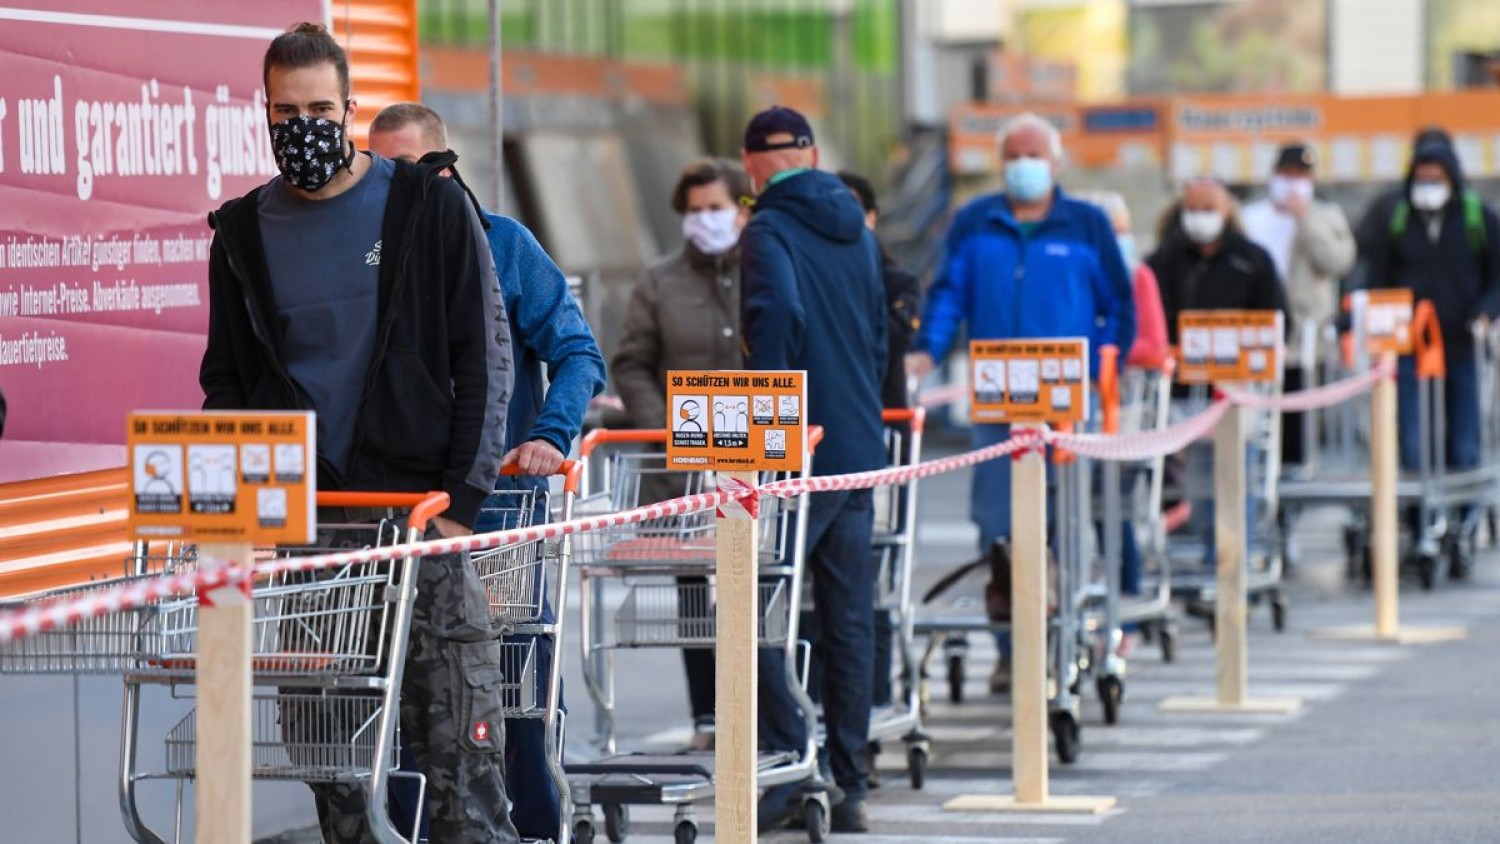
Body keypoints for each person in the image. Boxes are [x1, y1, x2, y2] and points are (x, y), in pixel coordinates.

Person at [198, 24, 519, 843]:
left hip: (422, 523)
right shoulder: (241, 234)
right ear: (264, 112)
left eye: (318, 108)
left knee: (461, 763)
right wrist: (245, 512)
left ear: (347, 109)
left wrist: (462, 502)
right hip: (313, 538)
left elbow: (481, 354)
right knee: (329, 768)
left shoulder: (426, 206)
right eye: (284, 111)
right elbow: (226, 383)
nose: (301, 125)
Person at [368, 102, 606, 842]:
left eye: (404, 170)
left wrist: (549, 434)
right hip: (400, 513)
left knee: (510, 682)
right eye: (377, 173)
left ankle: (533, 825)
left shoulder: (504, 246)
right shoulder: (365, 255)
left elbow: (577, 352)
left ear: (443, 167)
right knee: (403, 687)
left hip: (498, 507)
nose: (389, 189)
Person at [906, 113, 1136, 694]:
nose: (1024, 164)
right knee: (995, 522)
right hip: (996, 400)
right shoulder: (974, 222)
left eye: (1034, 153)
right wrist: (926, 351)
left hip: (1065, 401)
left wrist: (1100, 361)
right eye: (1014, 154)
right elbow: (948, 294)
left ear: (1056, 163)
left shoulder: (1085, 225)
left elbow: (1120, 307)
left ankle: (1059, 639)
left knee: (1062, 522)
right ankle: (1011, 644)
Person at [739, 106, 887, 834]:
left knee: (756, 607)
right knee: (847, 618)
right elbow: (878, 331)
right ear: (813, 154)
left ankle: (790, 766)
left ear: (749, 166)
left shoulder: (766, 230)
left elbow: (777, 320)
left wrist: (768, 433)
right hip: (857, 445)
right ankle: (851, 781)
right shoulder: (856, 226)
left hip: (799, 451)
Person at [611, 157, 753, 751]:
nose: (704, 221)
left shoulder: (769, 273)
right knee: (695, 593)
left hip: (760, 465)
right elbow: (632, 362)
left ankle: (763, 709)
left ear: (743, 210)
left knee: (765, 587)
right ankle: (708, 717)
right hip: (685, 472)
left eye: (716, 208)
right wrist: (666, 430)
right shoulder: (660, 281)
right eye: (694, 211)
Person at [1364, 137, 1500, 571]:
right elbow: (1378, 277)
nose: (1427, 186)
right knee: (1412, 439)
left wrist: (1484, 314)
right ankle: (1419, 520)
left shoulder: (1478, 218)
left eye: (1435, 178)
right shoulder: (1398, 219)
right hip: (1408, 346)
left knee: (1464, 440)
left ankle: (1463, 520)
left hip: (1461, 344)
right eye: (1421, 178)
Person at [1147, 177, 1285, 566]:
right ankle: (1214, 554)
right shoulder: (1164, 262)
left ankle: (1234, 558)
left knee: (1238, 475)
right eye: (1192, 209)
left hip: (1238, 392)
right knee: (1199, 482)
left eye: (1208, 209)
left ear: (1227, 211)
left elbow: (1276, 319)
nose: (1199, 218)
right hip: (1183, 394)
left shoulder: (1253, 260)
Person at [1240, 143, 1355, 465]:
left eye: (1300, 176)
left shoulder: (1326, 217)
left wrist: (1306, 219)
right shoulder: (1250, 217)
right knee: (1256, 422)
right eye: (1286, 174)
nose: (1292, 183)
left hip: (1304, 340)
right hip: (1256, 336)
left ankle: (1295, 478)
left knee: (1297, 424)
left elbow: (1337, 262)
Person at [837, 171, 922, 411]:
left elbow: (893, 342)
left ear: (870, 218)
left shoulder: (897, 283)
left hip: (881, 411)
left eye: (849, 206)